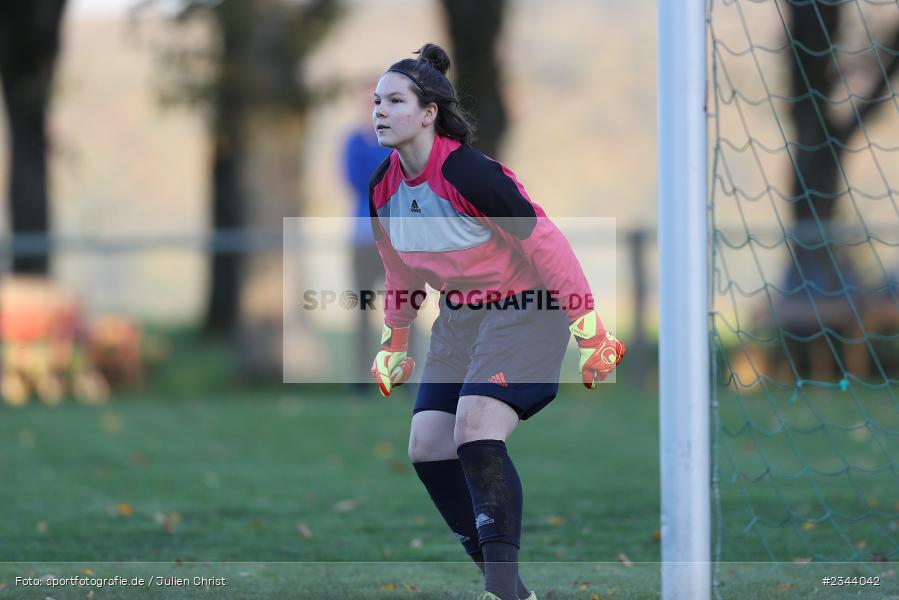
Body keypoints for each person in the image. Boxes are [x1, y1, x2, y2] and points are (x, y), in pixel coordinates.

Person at [367, 43, 625, 600]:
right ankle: (512, 590)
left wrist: (590, 329)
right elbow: (399, 273)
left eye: (394, 100)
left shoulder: (469, 172)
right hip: (461, 318)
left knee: (475, 426)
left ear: (429, 111)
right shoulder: (382, 189)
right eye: (376, 102)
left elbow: (547, 242)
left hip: (526, 308)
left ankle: (503, 594)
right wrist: (396, 340)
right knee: (428, 444)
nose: (380, 112)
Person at [342, 80, 392, 388]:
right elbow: (359, 180)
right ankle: (361, 379)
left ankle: (400, 376)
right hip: (363, 236)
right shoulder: (353, 142)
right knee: (362, 310)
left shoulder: (401, 143)